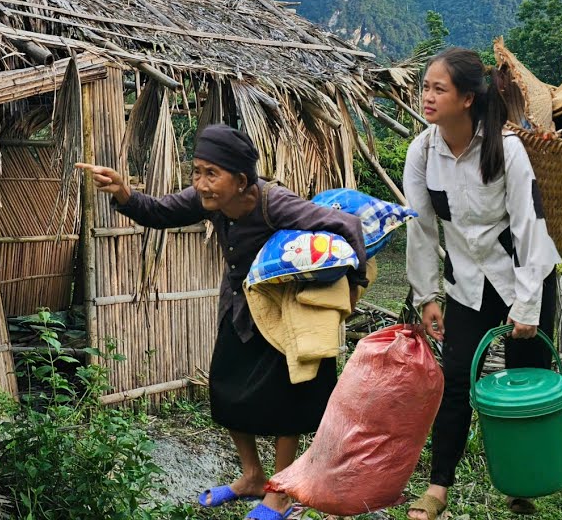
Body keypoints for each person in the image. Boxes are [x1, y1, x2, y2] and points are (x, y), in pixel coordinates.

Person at [76, 124, 367, 520]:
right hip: (240, 308)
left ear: (241, 180)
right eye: (197, 172)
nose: (200, 183)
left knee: (288, 398)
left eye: (211, 173)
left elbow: (347, 226)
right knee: (225, 389)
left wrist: (355, 285)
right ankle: (252, 476)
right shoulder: (208, 200)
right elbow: (160, 211)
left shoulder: (275, 204)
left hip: (283, 312)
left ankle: (280, 491)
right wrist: (123, 192)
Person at [403, 48, 561, 520]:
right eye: (425, 87)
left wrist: (528, 305)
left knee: (525, 380)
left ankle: (523, 483)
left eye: (439, 89)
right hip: (467, 286)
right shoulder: (422, 152)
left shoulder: (505, 149)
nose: (427, 97)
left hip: (523, 279)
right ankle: (438, 488)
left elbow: (530, 226)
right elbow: (421, 229)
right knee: (455, 382)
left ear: (468, 98)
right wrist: (427, 295)